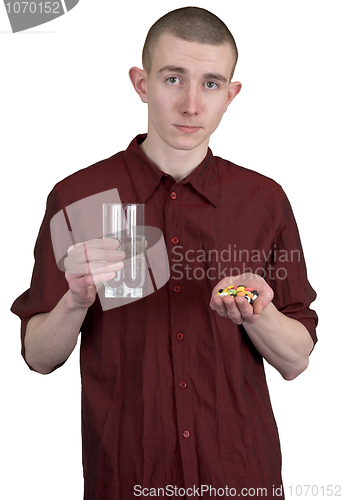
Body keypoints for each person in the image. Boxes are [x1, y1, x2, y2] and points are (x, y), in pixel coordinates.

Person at [11, 7, 318, 500]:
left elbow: (297, 360)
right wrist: (75, 301)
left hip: (241, 476)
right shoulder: (81, 196)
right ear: (141, 83)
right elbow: (38, 357)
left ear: (231, 95)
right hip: (126, 477)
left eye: (212, 84)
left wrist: (259, 315)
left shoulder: (264, 201)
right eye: (174, 78)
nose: (191, 105)